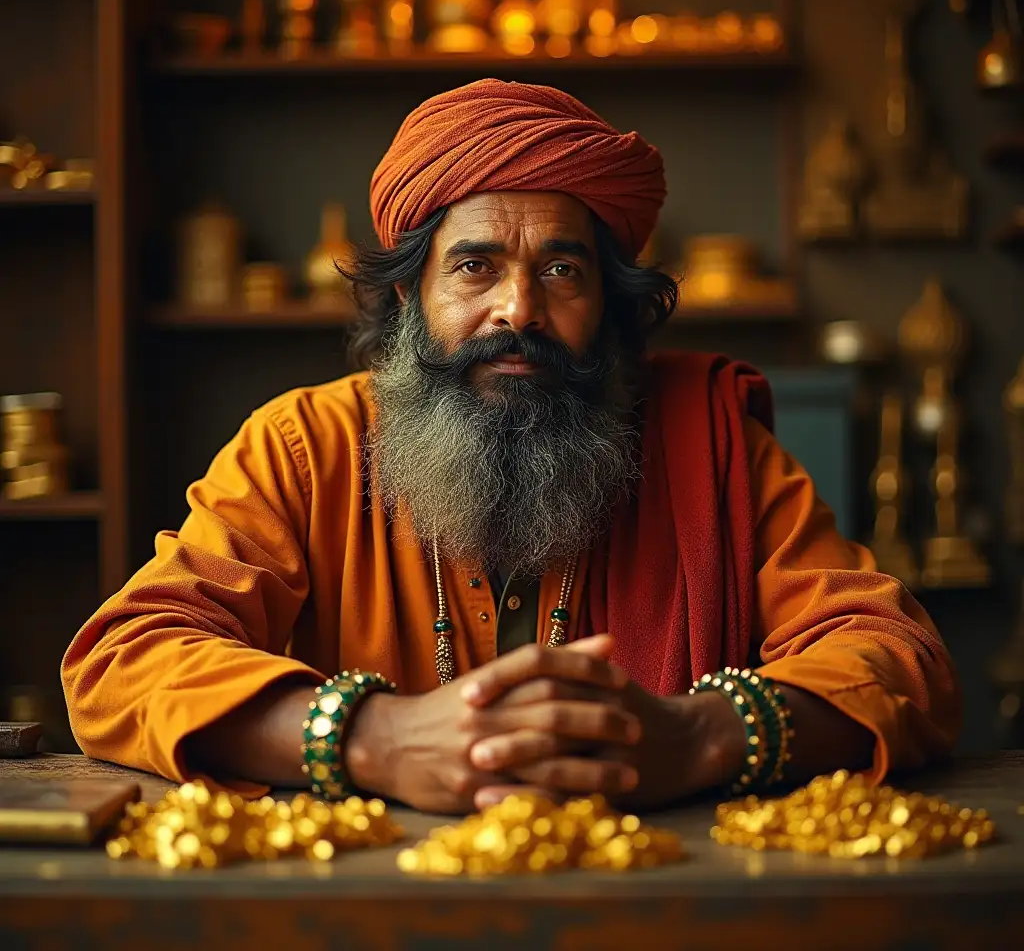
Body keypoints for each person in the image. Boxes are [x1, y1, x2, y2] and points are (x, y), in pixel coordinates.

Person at [62, 79, 959, 813]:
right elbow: (125, 658)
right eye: (475, 265)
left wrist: (696, 737)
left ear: (606, 301)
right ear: (411, 294)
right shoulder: (306, 447)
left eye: (562, 271)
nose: (520, 310)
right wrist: (372, 738)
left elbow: (895, 658)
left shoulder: (715, 445)